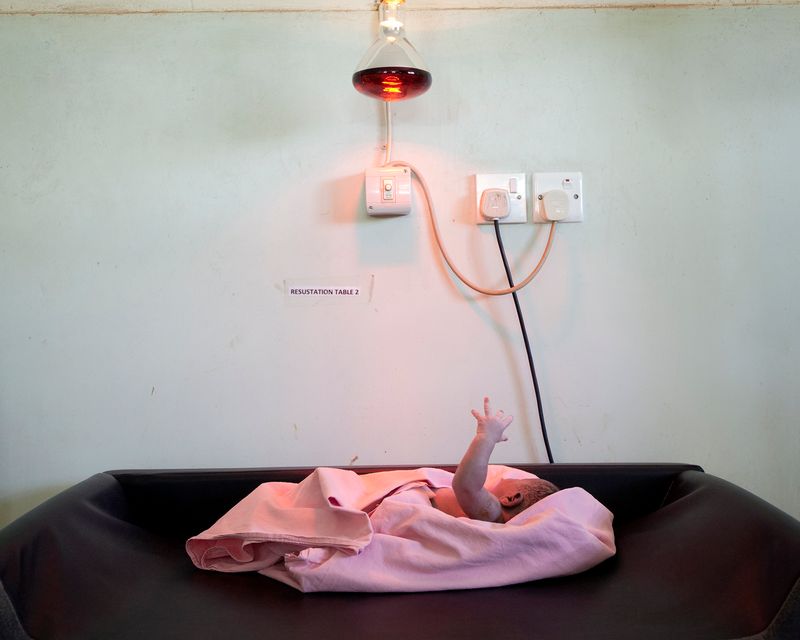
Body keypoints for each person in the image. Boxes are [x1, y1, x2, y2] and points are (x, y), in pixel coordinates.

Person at [431, 397, 559, 523]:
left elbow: (466, 486)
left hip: (423, 503)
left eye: (515, 479)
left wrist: (486, 437)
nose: (504, 478)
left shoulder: (493, 513)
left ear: (511, 499)